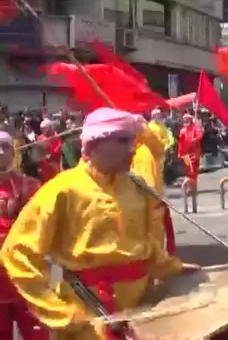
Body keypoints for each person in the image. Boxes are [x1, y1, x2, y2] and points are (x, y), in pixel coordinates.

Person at [0, 107, 200, 339]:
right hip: (87, 318)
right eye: (123, 140)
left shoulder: (137, 187)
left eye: (132, 140)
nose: (133, 149)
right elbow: (17, 254)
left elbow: (144, 249)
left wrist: (172, 268)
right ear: (96, 144)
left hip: (142, 317)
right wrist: (60, 313)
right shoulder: (61, 190)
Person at [0, 131, 49, 339]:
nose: (0, 152)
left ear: (14, 152)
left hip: (28, 281)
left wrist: (55, 282)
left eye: (5, 147)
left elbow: (50, 234)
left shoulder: (32, 186)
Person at [131, 120, 175, 255]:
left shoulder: (148, 150)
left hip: (151, 201)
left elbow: (155, 143)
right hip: (139, 202)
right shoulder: (133, 151)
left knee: (154, 244)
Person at [177, 113, 203, 213]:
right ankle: (189, 187)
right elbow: (180, 142)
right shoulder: (182, 131)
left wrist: (195, 139)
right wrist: (180, 152)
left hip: (195, 153)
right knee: (188, 169)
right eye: (184, 120)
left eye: (188, 119)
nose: (186, 121)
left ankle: (192, 187)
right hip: (186, 153)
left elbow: (200, 135)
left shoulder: (195, 128)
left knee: (194, 169)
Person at [37, 118, 62, 182]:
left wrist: (47, 154)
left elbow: (57, 152)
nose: (43, 131)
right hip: (44, 168)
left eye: (44, 128)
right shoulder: (40, 138)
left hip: (54, 167)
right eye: (41, 129)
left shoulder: (56, 137)